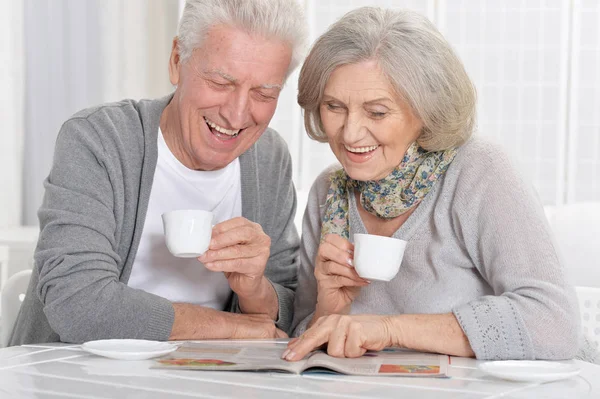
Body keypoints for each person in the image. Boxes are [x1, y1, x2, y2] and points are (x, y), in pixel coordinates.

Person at [284, 7, 586, 363]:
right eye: (334, 107)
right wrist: (329, 310)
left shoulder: (478, 170)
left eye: (377, 112)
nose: (350, 133)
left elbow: (554, 323)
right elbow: (300, 340)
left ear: (427, 109)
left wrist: (390, 329)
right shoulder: (329, 192)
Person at [10, 0, 307, 346]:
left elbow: (290, 309)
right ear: (177, 61)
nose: (237, 115)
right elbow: (77, 303)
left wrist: (256, 289)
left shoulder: (269, 158)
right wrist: (233, 326)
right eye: (220, 82)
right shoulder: (99, 140)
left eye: (263, 93)